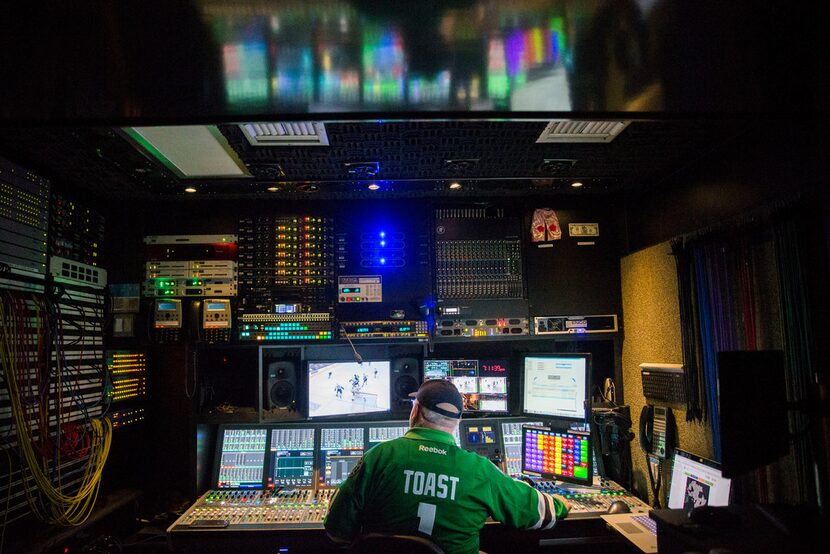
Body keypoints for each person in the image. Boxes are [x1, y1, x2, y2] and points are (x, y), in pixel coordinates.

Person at [324, 379, 571, 553]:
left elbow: (336, 529)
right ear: (457, 421)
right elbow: (540, 512)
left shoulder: (379, 456)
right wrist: (562, 503)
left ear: (415, 410)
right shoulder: (478, 470)